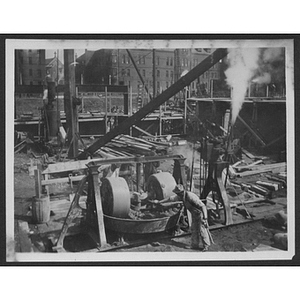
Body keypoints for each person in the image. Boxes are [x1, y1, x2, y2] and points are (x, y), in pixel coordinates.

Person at [171, 184, 211, 251]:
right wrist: (159, 202)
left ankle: (206, 246)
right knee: (194, 229)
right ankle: (194, 245)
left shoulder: (190, 196)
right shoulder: (181, 196)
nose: (177, 195)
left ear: (181, 192)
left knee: (202, 230)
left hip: (200, 213)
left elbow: (203, 206)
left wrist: (205, 218)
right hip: (194, 214)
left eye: (177, 193)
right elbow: (171, 198)